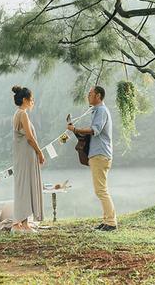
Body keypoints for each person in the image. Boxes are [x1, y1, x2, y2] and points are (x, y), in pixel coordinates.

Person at [67, 86, 117, 231]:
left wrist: (75, 130)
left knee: (101, 190)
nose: (88, 96)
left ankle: (111, 223)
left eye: (90, 94)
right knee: (101, 189)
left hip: (100, 154)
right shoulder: (98, 110)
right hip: (99, 154)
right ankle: (107, 220)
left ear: (98, 96)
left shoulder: (101, 110)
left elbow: (94, 130)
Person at [11, 86, 45, 233]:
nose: (33, 102)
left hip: (22, 156)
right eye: (31, 99)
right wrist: (40, 152)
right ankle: (23, 224)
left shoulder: (17, 114)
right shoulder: (22, 114)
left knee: (23, 187)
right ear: (24, 100)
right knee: (25, 187)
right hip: (26, 156)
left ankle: (21, 223)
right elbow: (30, 138)